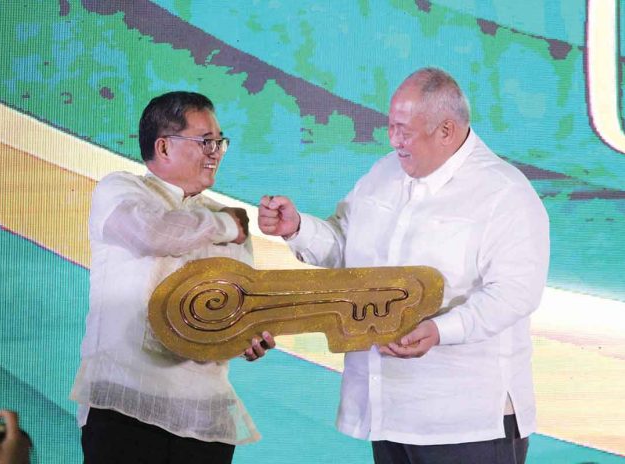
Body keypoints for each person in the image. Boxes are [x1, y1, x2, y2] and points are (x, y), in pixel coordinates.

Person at [258, 67, 549, 464]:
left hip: (465, 424)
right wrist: (298, 229)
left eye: (404, 130)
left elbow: (516, 292)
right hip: (388, 412)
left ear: (447, 130)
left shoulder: (504, 193)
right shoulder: (383, 173)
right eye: (391, 127)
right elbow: (348, 250)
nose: (394, 140)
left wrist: (439, 331)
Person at [70, 91, 274, 464]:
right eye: (205, 141)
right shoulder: (121, 189)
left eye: (219, 142)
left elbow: (236, 306)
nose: (216, 152)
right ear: (163, 147)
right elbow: (152, 233)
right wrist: (228, 223)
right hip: (124, 408)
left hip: (203, 419)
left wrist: (246, 334)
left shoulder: (228, 221)